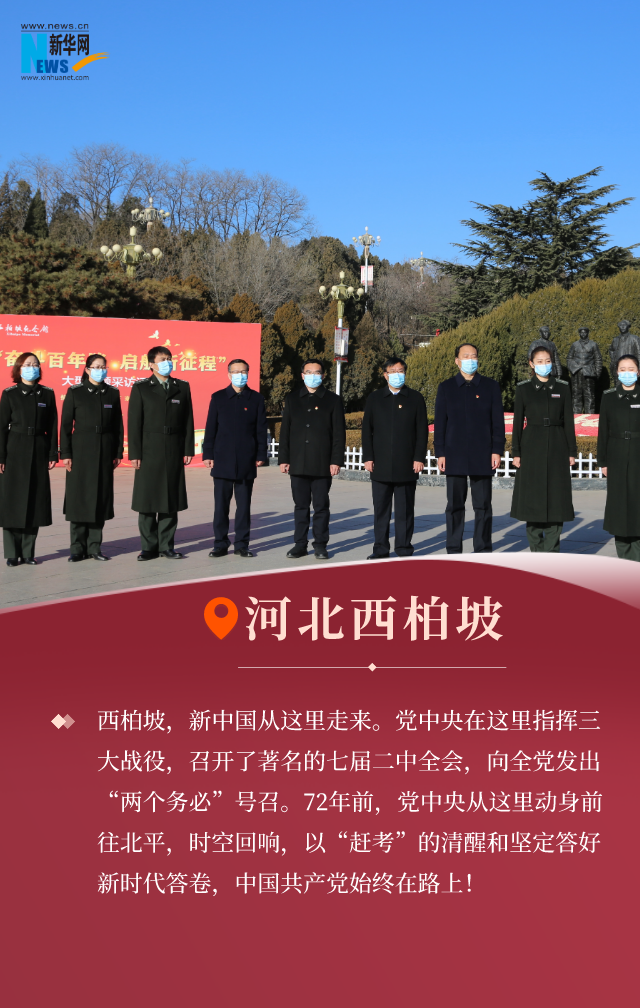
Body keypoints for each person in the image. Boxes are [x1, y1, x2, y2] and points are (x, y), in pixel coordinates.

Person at [434, 343, 505, 553]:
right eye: (466, 356)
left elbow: (497, 422)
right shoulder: (446, 387)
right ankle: (453, 549)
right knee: (454, 506)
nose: (470, 360)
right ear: (457, 361)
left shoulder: (490, 387)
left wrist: (496, 450)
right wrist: (440, 452)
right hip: (453, 454)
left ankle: (482, 549)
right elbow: (440, 423)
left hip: (482, 454)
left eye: (474, 356)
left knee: (483, 506)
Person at [128, 346, 194, 560]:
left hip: (174, 447)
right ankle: (148, 547)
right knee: (147, 499)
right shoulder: (141, 388)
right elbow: (134, 423)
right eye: (162, 359)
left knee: (170, 498)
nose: (168, 362)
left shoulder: (181, 387)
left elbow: (188, 420)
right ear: (151, 364)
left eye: (169, 358)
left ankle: (167, 545)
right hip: (149, 449)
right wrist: (135, 453)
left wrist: (188, 448)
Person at [510, 347, 576, 552]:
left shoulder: (562, 388)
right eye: (539, 361)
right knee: (533, 498)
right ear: (531, 364)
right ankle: (536, 550)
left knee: (557, 498)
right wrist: (516, 452)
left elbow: (569, 422)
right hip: (532, 444)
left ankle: (552, 550)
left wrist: (571, 451)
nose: (544, 364)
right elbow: (517, 422)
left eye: (547, 361)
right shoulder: (524, 389)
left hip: (557, 443)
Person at [278, 359, 345, 559]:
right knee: (300, 506)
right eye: (309, 372)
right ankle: (300, 544)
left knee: (321, 506)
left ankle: (320, 545)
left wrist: (336, 460)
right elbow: (285, 431)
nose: (313, 376)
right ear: (302, 375)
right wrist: (284, 458)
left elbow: (338, 434)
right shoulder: (292, 399)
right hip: (297, 461)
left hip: (322, 463)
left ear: (323, 375)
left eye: (317, 372)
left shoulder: (332, 400)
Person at [60, 354, 124, 562]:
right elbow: (65, 426)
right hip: (80, 450)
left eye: (103, 367)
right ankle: (77, 548)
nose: (100, 370)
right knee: (79, 498)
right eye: (96, 367)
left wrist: (117, 452)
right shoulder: (75, 392)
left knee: (100, 497)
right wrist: (66, 453)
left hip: (105, 450)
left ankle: (95, 547)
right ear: (87, 369)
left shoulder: (112, 393)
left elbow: (118, 425)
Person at [362, 356, 427, 558]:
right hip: (380, 464)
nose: (397, 375)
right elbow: (366, 430)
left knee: (404, 510)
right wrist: (368, 457)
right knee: (381, 510)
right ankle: (380, 549)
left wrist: (419, 457)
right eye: (392, 372)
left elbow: (422, 431)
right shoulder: (374, 398)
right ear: (385, 375)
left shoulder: (415, 398)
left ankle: (404, 548)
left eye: (400, 371)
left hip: (406, 464)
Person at [203, 358, 267, 558]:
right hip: (222, 459)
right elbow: (211, 428)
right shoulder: (218, 398)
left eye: (244, 371)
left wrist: (261, 454)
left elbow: (260, 430)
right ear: (229, 374)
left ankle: (241, 544)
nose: (240, 375)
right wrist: (208, 453)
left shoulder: (256, 399)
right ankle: (220, 544)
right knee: (221, 507)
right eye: (236, 372)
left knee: (244, 507)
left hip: (247, 460)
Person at [0, 352, 58, 566]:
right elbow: (1, 428)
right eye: (27, 364)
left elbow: (53, 425)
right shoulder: (10, 394)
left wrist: (52, 453)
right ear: (19, 368)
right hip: (15, 448)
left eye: (35, 364)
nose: (32, 367)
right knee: (12, 501)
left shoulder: (47, 394)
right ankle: (12, 553)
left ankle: (28, 552)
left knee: (35, 500)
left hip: (39, 448)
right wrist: (1, 456)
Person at [597, 354, 640, 561]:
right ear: (617, 372)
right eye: (623, 369)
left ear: (638, 372)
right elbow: (603, 431)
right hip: (616, 453)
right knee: (619, 503)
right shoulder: (609, 396)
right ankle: (623, 554)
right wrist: (603, 461)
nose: (627, 373)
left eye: (631, 369)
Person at [567, 327, 602, 413]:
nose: (583, 334)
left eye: (585, 332)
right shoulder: (575, 345)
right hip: (576, 373)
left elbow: (598, 359)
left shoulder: (593, 345)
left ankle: (590, 417)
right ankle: (576, 417)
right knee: (576, 395)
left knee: (589, 396)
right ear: (579, 334)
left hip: (589, 373)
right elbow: (569, 358)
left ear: (587, 333)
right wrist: (573, 369)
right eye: (581, 332)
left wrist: (597, 373)